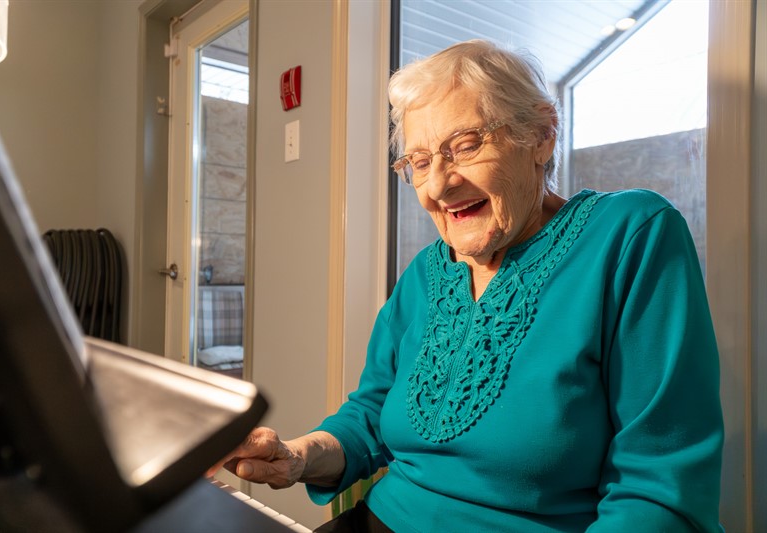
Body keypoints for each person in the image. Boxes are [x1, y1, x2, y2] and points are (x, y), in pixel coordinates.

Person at [211, 40, 724, 532]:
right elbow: (369, 416)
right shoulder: (424, 275)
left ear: (542, 134)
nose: (437, 185)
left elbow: (660, 486)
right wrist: (296, 458)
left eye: (464, 145)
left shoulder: (629, 235)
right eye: (418, 161)